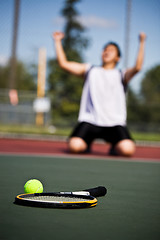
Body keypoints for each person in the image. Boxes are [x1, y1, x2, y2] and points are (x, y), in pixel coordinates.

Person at [53, 31, 146, 157]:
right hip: (90, 120)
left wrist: (142, 42)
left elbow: (138, 67)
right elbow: (64, 64)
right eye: (104, 50)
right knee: (74, 146)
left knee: (128, 150)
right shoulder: (90, 70)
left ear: (118, 58)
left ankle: (114, 146)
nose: (106, 52)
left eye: (111, 50)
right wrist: (58, 41)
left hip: (114, 123)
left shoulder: (121, 75)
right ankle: (87, 143)